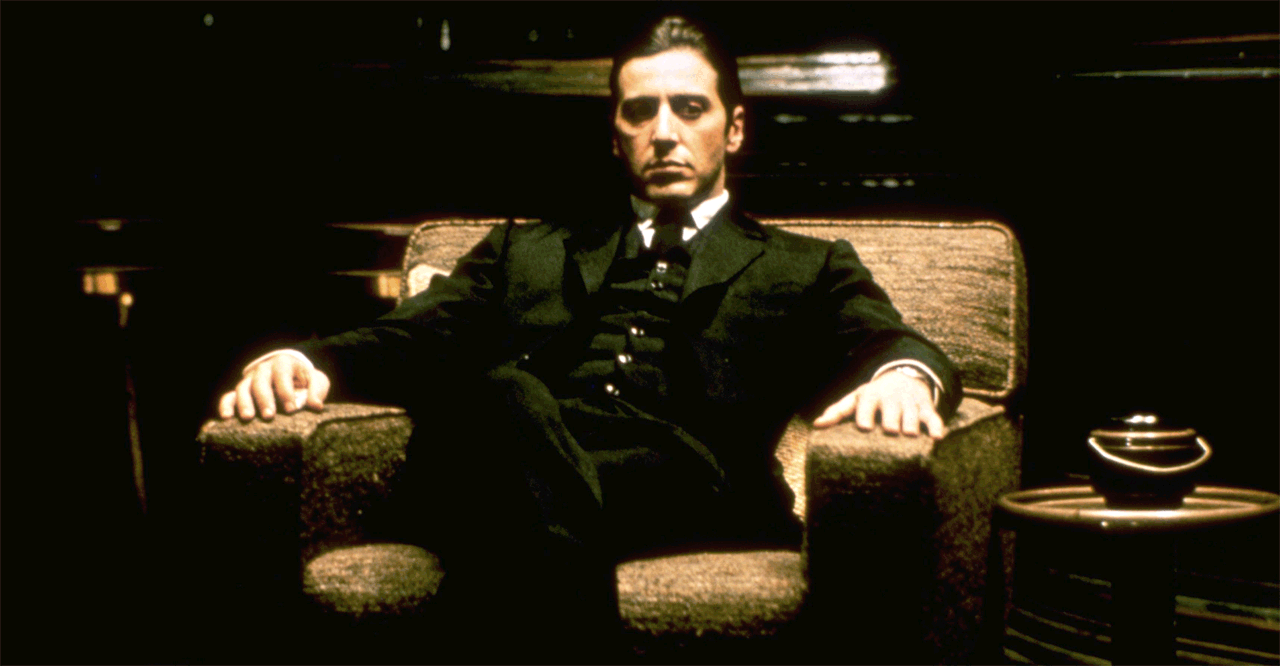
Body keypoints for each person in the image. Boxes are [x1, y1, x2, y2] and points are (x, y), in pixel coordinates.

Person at [218, 15, 960, 662]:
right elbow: (410, 337)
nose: (663, 132)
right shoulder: (523, 249)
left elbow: (897, 344)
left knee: (504, 421)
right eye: (640, 112)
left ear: (733, 127)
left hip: (683, 493)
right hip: (504, 456)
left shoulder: (805, 265)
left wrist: (904, 378)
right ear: (615, 134)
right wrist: (304, 359)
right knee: (504, 397)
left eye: (689, 108)